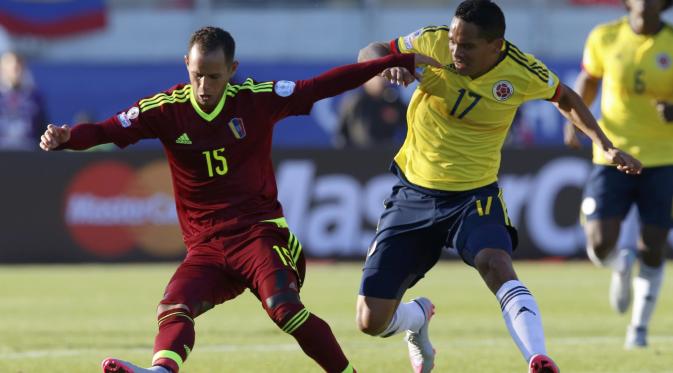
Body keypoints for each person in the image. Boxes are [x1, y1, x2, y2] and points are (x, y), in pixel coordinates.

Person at [39, 26, 439, 373]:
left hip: (260, 235)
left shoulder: (256, 99)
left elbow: (321, 85)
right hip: (206, 248)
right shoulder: (167, 109)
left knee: (284, 308)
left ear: (232, 69)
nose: (204, 87)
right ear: (186, 66)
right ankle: (161, 370)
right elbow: (108, 130)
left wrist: (393, 61)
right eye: (196, 75)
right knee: (174, 306)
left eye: (213, 76)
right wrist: (68, 139)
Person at [354, 1, 642, 372]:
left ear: (496, 45)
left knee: (496, 263)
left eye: (468, 45)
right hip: (414, 192)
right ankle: (418, 318)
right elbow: (370, 50)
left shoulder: (521, 71)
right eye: (455, 41)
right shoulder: (433, 42)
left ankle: (538, 358)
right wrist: (386, 64)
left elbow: (565, 98)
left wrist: (604, 144)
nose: (456, 51)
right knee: (370, 321)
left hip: (474, 196)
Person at [564, 0, 673, 349]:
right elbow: (589, 79)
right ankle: (619, 265)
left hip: (663, 157)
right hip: (612, 153)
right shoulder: (604, 36)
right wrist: (575, 121)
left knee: (653, 247)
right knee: (598, 243)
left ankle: (638, 330)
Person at [334, 76, 407, 148]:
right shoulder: (355, 100)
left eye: (383, 77)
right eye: (377, 77)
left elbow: (406, 118)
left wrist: (396, 116)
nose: (380, 81)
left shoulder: (391, 99)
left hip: (385, 150)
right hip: (359, 150)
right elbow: (341, 131)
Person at [0, 51, 46, 150]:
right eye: (10, 65)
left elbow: (42, 127)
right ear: (2, 69)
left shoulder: (35, 97)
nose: (15, 69)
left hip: (27, 151)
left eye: (19, 65)